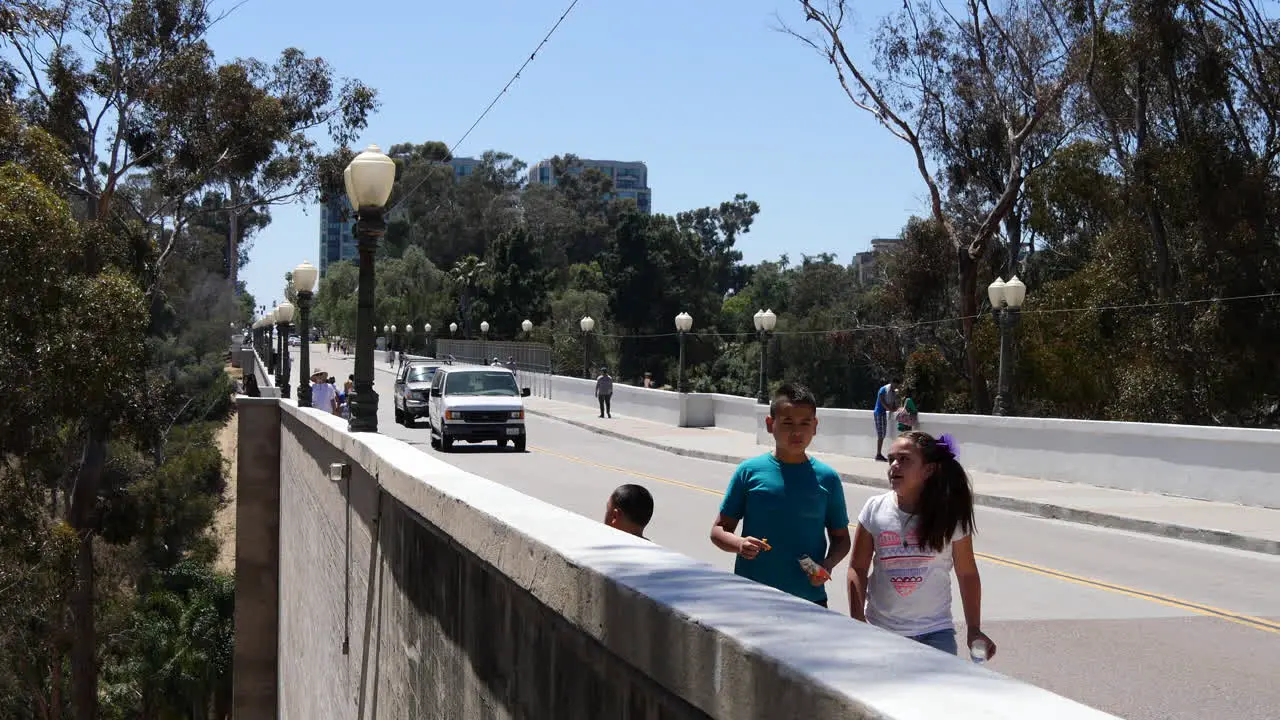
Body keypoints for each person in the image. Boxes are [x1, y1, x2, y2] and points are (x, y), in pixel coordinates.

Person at [847, 431, 996, 660]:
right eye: (891, 459)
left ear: (928, 470)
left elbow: (966, 573)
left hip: (935, 634)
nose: (894, 466)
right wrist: (857, 620)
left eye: (904, 459)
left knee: (937, 696)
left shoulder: (949, 515)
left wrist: (974, 628)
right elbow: (857, 567)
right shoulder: (874, 508)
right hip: (881, 632)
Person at [710, 382, 851, 607]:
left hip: (809, 600)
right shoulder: (749, 471)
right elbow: (718, 531)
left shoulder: (828, 478)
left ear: (815, 426)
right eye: (787, 423)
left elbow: (842, 538)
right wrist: (739, 544)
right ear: (770, 424)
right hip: (752, 597)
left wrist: (827, 564)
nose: (797, 431)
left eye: (805, 423)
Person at [872, 378, 901, 462]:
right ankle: (878, 454)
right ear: (892, 383)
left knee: (883, 434)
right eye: (895, 384)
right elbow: (882, 401)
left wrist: (896, 408)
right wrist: (889, 408)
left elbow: (894, 403)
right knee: (881, 434)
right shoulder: (884, 389)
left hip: (883, 413)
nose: (896, 386)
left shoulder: (893, 392)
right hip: (879, 412)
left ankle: (879, 454)